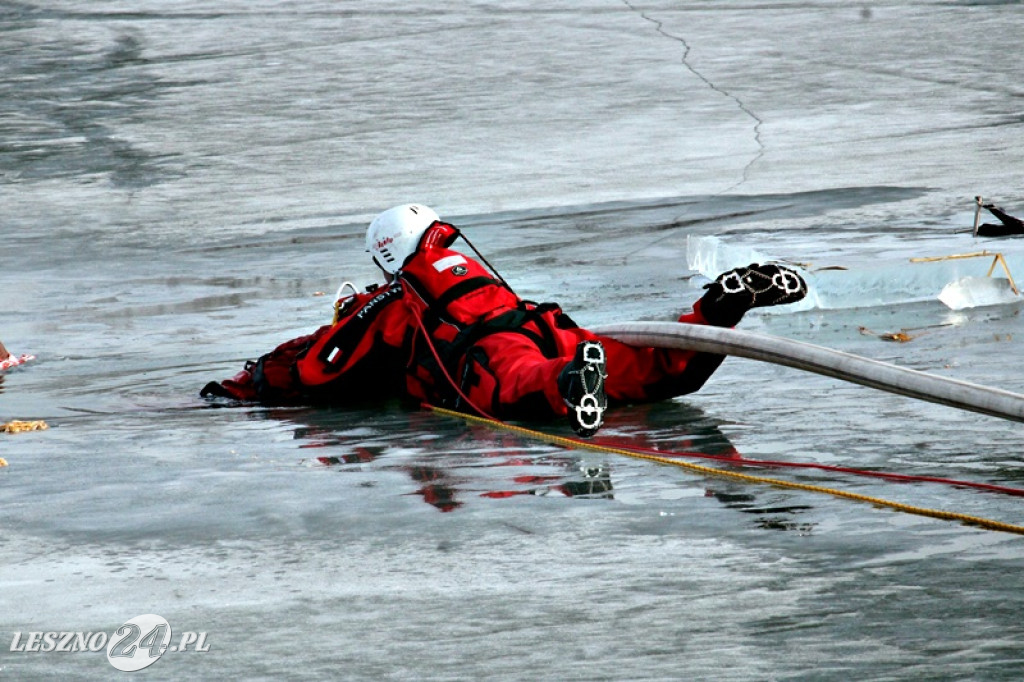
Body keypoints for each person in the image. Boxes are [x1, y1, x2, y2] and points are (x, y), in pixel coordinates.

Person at [202, 204, 807, 438]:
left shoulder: (397, 300)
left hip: (496, 358)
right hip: (546, 329)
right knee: (653, 371)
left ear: (386, 255)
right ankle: (716, 311)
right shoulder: (468, 269)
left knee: (521, 385)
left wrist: (245, 385)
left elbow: (321, 365)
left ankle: (570, 383)